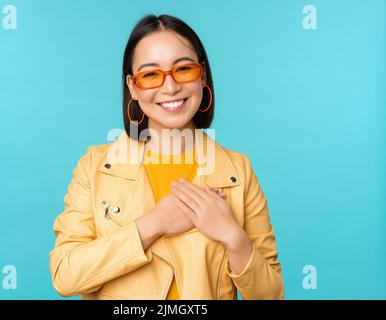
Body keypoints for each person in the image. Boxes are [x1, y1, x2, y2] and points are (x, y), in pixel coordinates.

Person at [49, 14, 284, 300]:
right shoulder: (94, 166)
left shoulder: (238, 170)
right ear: (133, 87)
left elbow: (271, 294)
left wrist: (234, 239)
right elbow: (65, 275)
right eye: (151, 75)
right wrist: (154, 224)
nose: (170, 87)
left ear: (203, 75)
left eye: (183, 69)